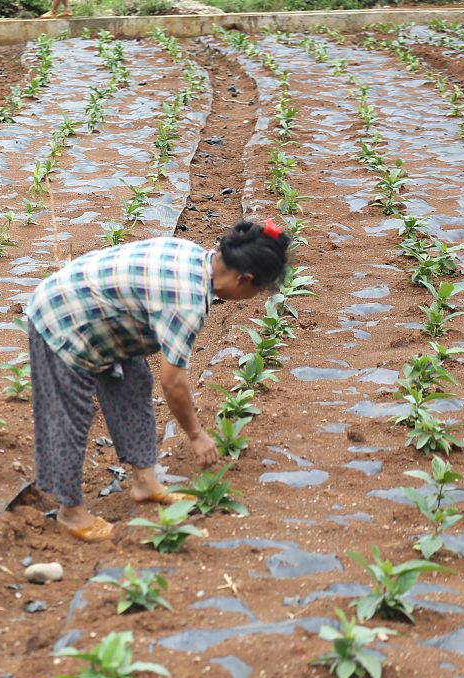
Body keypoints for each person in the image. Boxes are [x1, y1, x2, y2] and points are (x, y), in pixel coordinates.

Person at [25, 219, 290, 542]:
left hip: (106, 316)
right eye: (259, 290)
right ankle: (70, 511)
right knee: (69, 416)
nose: (256, 296)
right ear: (244, 279)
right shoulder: (187, 300)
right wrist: (196, 435)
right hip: (62, 318)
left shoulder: (196, 257)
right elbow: (174, 382)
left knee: (133, 384)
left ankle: (145, 483)